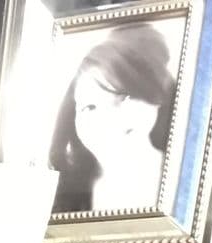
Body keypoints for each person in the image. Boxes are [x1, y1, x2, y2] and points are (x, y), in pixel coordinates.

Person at [49, 23, 176, 213]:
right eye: (89, 107)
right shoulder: (62, 192)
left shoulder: (184, 180)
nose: (106, 120)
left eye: (124, 97)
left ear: (156, 97)